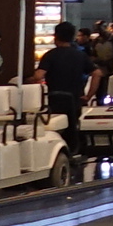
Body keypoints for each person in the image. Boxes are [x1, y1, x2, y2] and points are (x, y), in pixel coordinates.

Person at [40, 20, 95, 155]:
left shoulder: (50, 55)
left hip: (53, 101)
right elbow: (97, 73)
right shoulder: (80, 55)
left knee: (53, 129)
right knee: (73, 128)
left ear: (56, 36)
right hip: (75, 100)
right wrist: (89, 95)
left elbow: (39, 75)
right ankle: (74, 152)